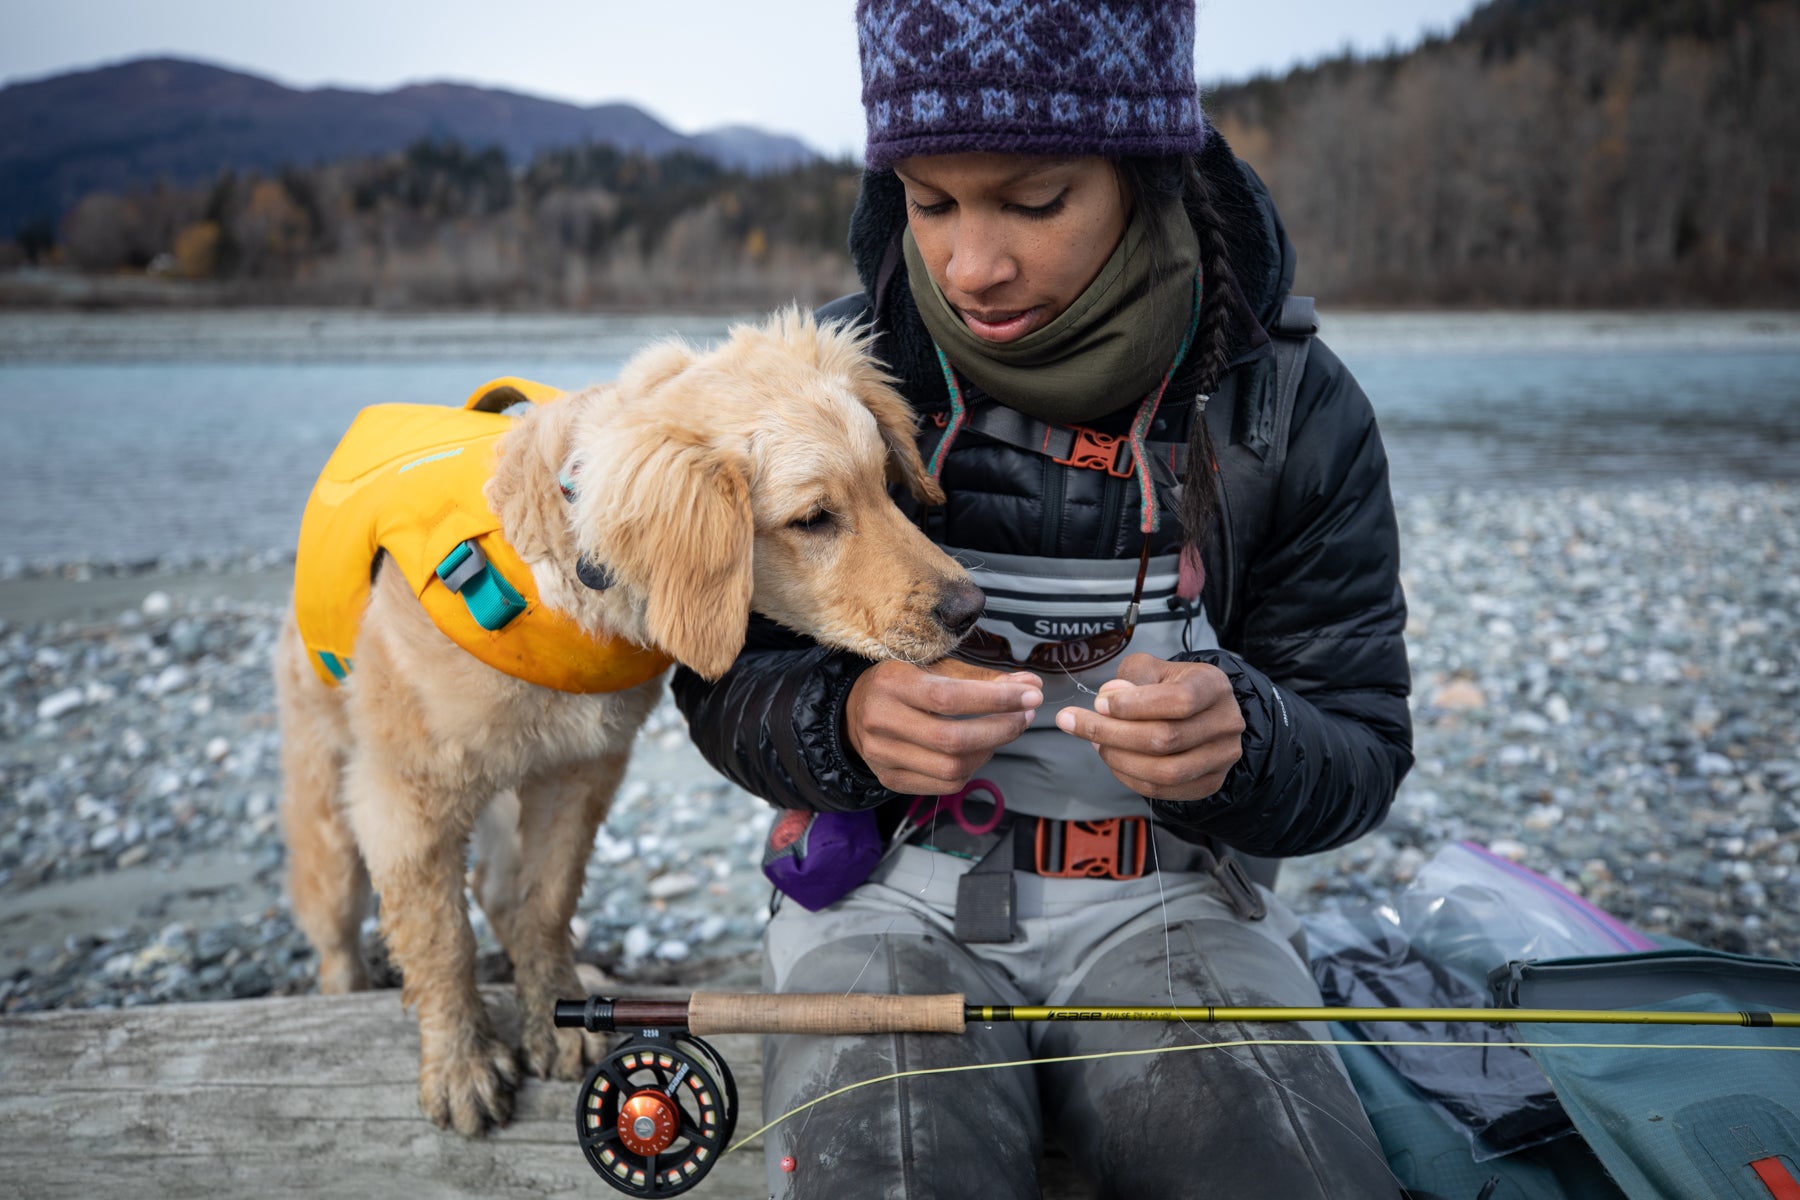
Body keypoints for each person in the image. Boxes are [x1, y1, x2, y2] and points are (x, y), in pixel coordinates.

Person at [673, 2, 1413, 1195]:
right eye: (930, 202)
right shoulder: (823, 386)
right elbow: (715, 678)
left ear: (1142, 170)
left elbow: (1364, 748)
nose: (973, 265)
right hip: (878, 911)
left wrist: (1248, 741)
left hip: (1180, 912)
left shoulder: (1294, 407)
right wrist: (843, 725)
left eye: (1032, 202)